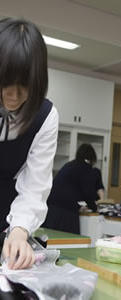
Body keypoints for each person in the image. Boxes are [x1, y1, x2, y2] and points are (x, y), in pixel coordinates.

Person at [0, 18, 59, 270]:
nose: (13, 95)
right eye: (5, 84)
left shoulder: (45, 116)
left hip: (6, 217)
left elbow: (34, 188)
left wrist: (18, 232)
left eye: (24, 86)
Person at [43, 143, 104, 234]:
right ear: (92, 157)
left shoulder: (70, 165)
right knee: (68, 241)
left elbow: (66, 189)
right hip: (65, 213)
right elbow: (87, 193)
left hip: (51, 209)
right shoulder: (86, 169)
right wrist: (94, 208)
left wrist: (78, 206)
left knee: (52, 241)